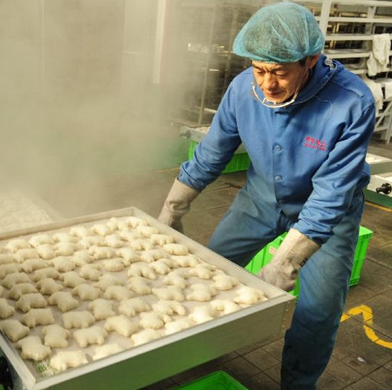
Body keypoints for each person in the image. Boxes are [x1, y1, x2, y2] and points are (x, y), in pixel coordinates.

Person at [159, 3, 374, 390]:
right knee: (211, 270)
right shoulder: (243, 88)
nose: (267, 84)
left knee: (317, 312)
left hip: (329, 214)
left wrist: (285, 264)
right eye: (259, 70)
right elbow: (212, 153)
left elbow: (330, 195)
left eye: (279, 73)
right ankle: (200, 349)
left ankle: (297, 383)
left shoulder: (351, 103)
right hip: (260, 199)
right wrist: (173, 207)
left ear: (311, 60)